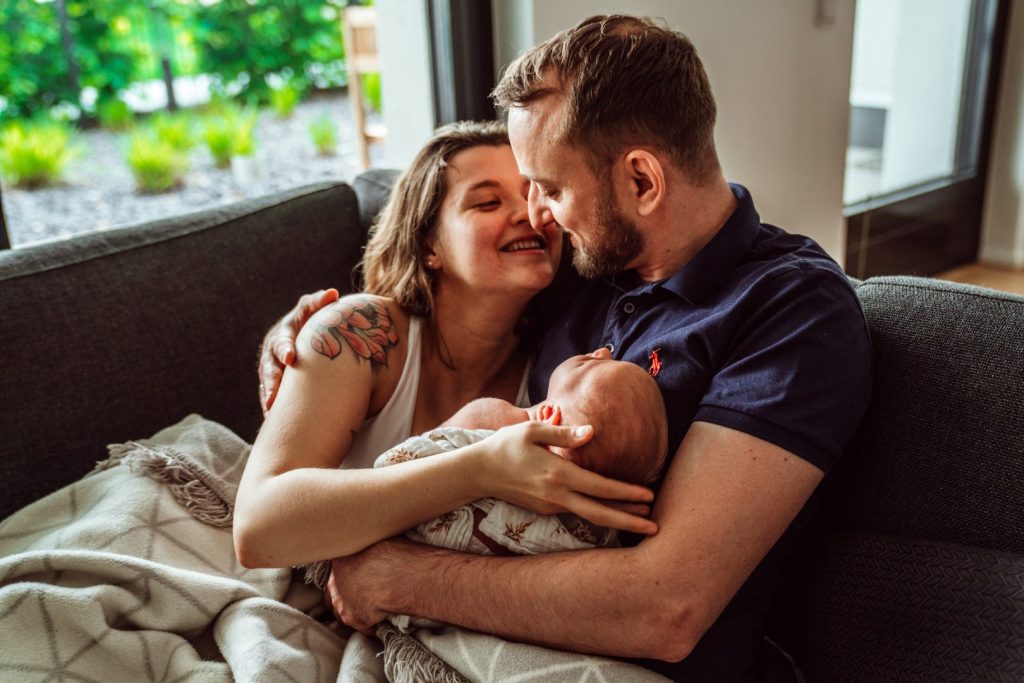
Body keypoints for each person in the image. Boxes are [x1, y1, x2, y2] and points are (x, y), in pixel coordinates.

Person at [261, 14, 873, 682]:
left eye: (550, 188)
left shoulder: (792, 310)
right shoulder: (587, 268)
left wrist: (397, 578)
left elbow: (665, 609)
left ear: (642, 181)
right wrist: (299, 336)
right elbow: (449, 304)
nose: (537, 215)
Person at [234, 120, 658, 572]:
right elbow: (258, 530)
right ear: (428, 244)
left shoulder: (561, 376)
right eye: (488, 202)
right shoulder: (360, 333)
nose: (530, 215)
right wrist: (479, 469)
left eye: (537, 194)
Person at [384, 348, 669, 560]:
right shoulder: (597, 534)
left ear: (549, 420)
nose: (604, 351)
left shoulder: (492, 416)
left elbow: (400, 465)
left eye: (588, 363)